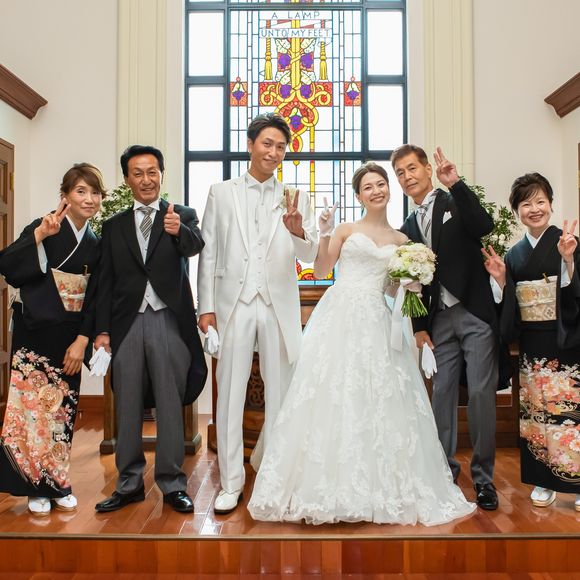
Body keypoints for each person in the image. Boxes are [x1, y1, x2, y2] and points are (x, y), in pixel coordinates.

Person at [248, 162, 476, 525]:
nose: (376, 190)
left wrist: (410, 285)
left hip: (379, 318)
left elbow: (392, 289)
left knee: (381, 396)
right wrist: (324, 233)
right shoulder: (345, 229)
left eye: (381, 184)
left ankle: (378, 487)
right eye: (368, 187)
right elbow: (321, 270)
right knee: (331, 393)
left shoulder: (403, 241)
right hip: (339, 314)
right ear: (358, 195)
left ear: (389, 189)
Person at [197, 113, 318, 514]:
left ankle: (274, 476)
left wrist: (298, 230)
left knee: (281, 392)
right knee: (230, 394)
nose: (274, 152)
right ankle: (231, 482)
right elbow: (208, 252)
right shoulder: (221, 192)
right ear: (251, 145)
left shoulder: (296, 196)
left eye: (281, 147)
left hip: (277, 304)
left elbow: (311, 257)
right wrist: (206, 308)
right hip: (234, 304)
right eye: (267, 143)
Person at [93, 145, 206, 514]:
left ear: (161, 174)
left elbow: (196, 246)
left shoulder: (181, 215)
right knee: (126, 402)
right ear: (127, 179)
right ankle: (128, 483)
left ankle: (172, 483)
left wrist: (178, 232)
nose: (146, 179)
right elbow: (105, 282)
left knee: (170, 401)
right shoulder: (113, 226)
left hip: (167, 319)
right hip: (126, 323)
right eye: (138, 173)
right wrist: (102, 331)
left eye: (152, 171)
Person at [394, 145, 500, 511]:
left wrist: (456, 184)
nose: (407, 176)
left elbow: (484, 226)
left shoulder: (455, 201)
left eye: (412, 168)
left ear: (427, 169)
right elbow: (412, 283)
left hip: (473, 312)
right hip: (438, 320)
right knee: (441, 395)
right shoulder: (407, 228)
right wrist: (419, 328)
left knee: (481, 394)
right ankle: (444, 472)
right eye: (400, 173)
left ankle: (484, 479)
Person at [0, 163, 105, 516]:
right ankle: (34, 489)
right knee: (30, 411)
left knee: (62, 411)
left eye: (95, 193)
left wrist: (82, 340)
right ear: (65, 197)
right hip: (34, 331)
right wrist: (39, 236)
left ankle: (57, 483)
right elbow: (8, 266)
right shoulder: (43, 227)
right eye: (80, 191)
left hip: (68, 337)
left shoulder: (96, 243)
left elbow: (95, 298)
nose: (89, 199)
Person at [482, 172, 580, 510]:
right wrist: (501, 280)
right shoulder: (514, 255)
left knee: (571, 412)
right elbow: (509, 306)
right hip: (533, 345)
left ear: (551, 204)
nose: (534, 209)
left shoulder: (568, 243)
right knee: (536, 412)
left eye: (540, 201)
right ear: (517, 211)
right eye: (526, 204)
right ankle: (542, 480)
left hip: (567, 339)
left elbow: (575, 295)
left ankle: (576, 484)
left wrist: (568, 260)